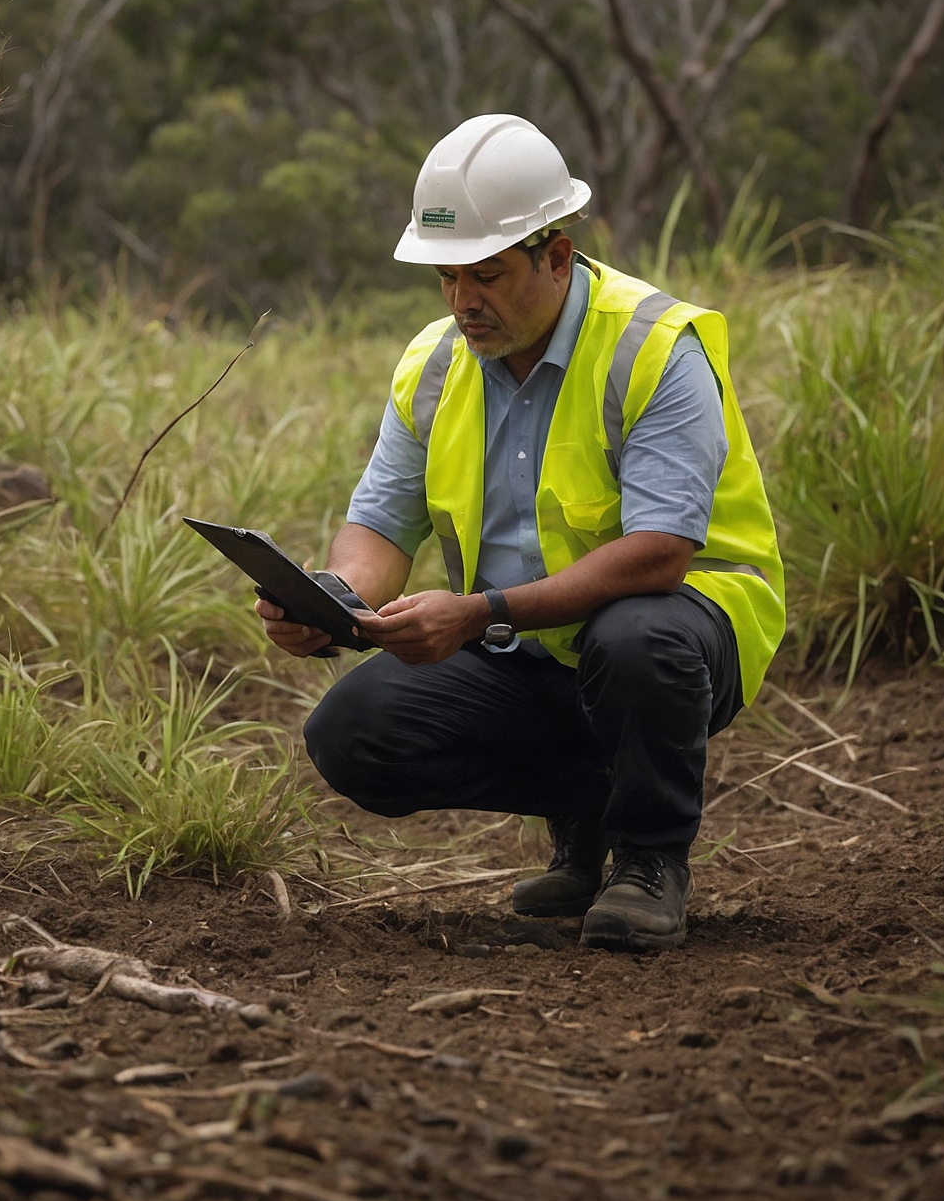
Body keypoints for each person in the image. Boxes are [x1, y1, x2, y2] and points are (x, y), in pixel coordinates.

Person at [259, 114, 784, 951]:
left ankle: (650, 861)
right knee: (353, 735)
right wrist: (332, 601)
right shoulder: (436, 365)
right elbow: (379, 528)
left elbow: (660, 554)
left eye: (489, 276)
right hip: (527, 646)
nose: (465, 301)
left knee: (637, 637)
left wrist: (478, 614)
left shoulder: (653, 348)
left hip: (680, 630)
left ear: (558, 256)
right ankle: (587, 805)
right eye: (448, 278)